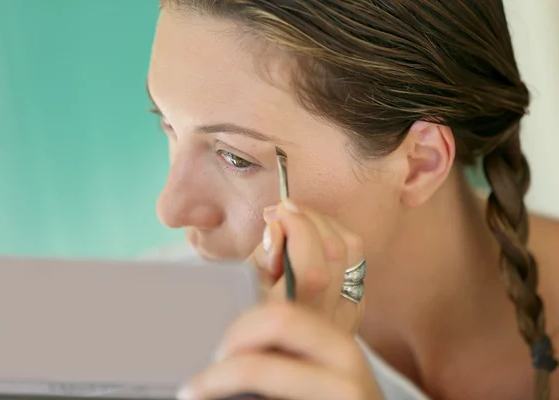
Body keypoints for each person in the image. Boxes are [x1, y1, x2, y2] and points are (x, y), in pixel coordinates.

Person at [146, 1, 559, 399]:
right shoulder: (149, 326)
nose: (170, 209)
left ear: (420, 163)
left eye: (235, 157)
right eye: (169, 126)